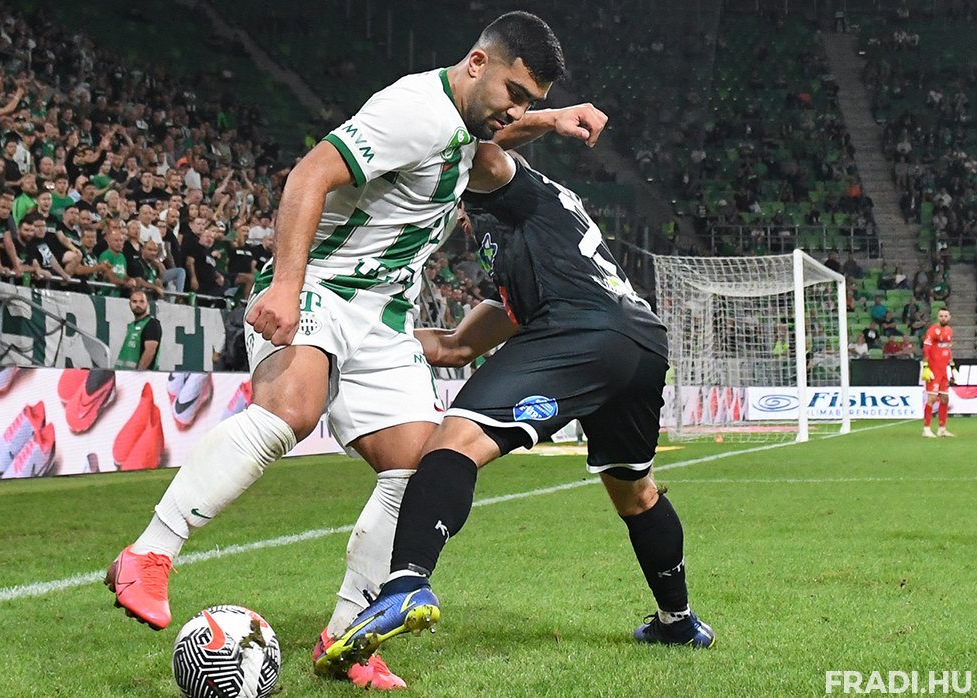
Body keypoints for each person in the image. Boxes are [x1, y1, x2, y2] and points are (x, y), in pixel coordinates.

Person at [105, 11, 599, 691]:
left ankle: (346, 636)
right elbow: (309, 175)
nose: (515, 110)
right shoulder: (414, 110)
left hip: (385, 317)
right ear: (477, 63)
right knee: (293, 409)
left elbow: (487, 132)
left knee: (416, 472)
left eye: (529, 101)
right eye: (514, 93)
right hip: (322, 287)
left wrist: (549, 119)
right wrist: (285, 285)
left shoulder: (465, 120)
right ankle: (148, 554)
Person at [318, 144, 714, 681]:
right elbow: (455, 347)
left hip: (579, 328)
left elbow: (475, 146)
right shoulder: (534, 256)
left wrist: (482, 130)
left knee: (451, 445)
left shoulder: (513, 190)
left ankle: (405, 584)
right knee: (636, 492)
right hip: (637, 340)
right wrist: (353, 335)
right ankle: (678, 622)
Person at [922, 308, 957, 438]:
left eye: (945, 316)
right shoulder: (932, 330)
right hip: (933, 369)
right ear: (938, 317)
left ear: (949, 317)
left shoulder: (949, 331)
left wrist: (952, 367)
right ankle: (926, 429)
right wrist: (926, 366)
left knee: (944, 398)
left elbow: (948, 350)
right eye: (941, 316)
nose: (943, 318)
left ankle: (942, 429)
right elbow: (926, 349)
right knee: (931, 398)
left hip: (943, 370)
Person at [114, 290, 162, 370]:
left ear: (147, 303)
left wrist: (138, 372)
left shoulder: (151, 324)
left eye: (141, 301)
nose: (138, 305)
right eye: (134, 301)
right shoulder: (132, 325)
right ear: (130, 304)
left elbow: (150, 351)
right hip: (124, 374)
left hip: (140, 375)